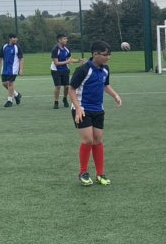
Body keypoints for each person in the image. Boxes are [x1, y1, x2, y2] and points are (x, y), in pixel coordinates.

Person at [69, 40, 122, 186]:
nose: (108, 57)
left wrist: (116, 95)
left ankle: (100, 174)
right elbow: (71, 90)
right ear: (95, 54)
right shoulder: (83, 70)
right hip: (82, 110)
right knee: (88, 140)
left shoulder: (105, 69)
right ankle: (83, 172)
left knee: (98, 140)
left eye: (109, 54)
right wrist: (78, 108)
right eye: (105, 55)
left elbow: (105, 85)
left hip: (98, 110)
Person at [50, 34, 80, 110]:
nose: (66, 40)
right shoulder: (55, 49)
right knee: (58, 86)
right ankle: (56, 102)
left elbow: (70, 59)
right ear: (59, 40)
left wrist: (79, 60)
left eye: (66, 39)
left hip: (65, 70)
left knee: (67, 86)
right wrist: (67, 61)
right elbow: (56, 63)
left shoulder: (67, 49)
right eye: (64, 39)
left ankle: (64, 99)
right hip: (56, 70)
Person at [0, 33, 23, 107]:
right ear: (10, 38)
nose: (16, 39)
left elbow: (21, 59)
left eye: (16, 38)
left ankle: (9, 101)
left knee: (10, 84)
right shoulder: (4, 47)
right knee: (4, 84)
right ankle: (17, 95)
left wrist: (21, 69)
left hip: (13, 69)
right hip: (4, 69)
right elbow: (0, 57)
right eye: (14, 38)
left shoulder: (17, 47)